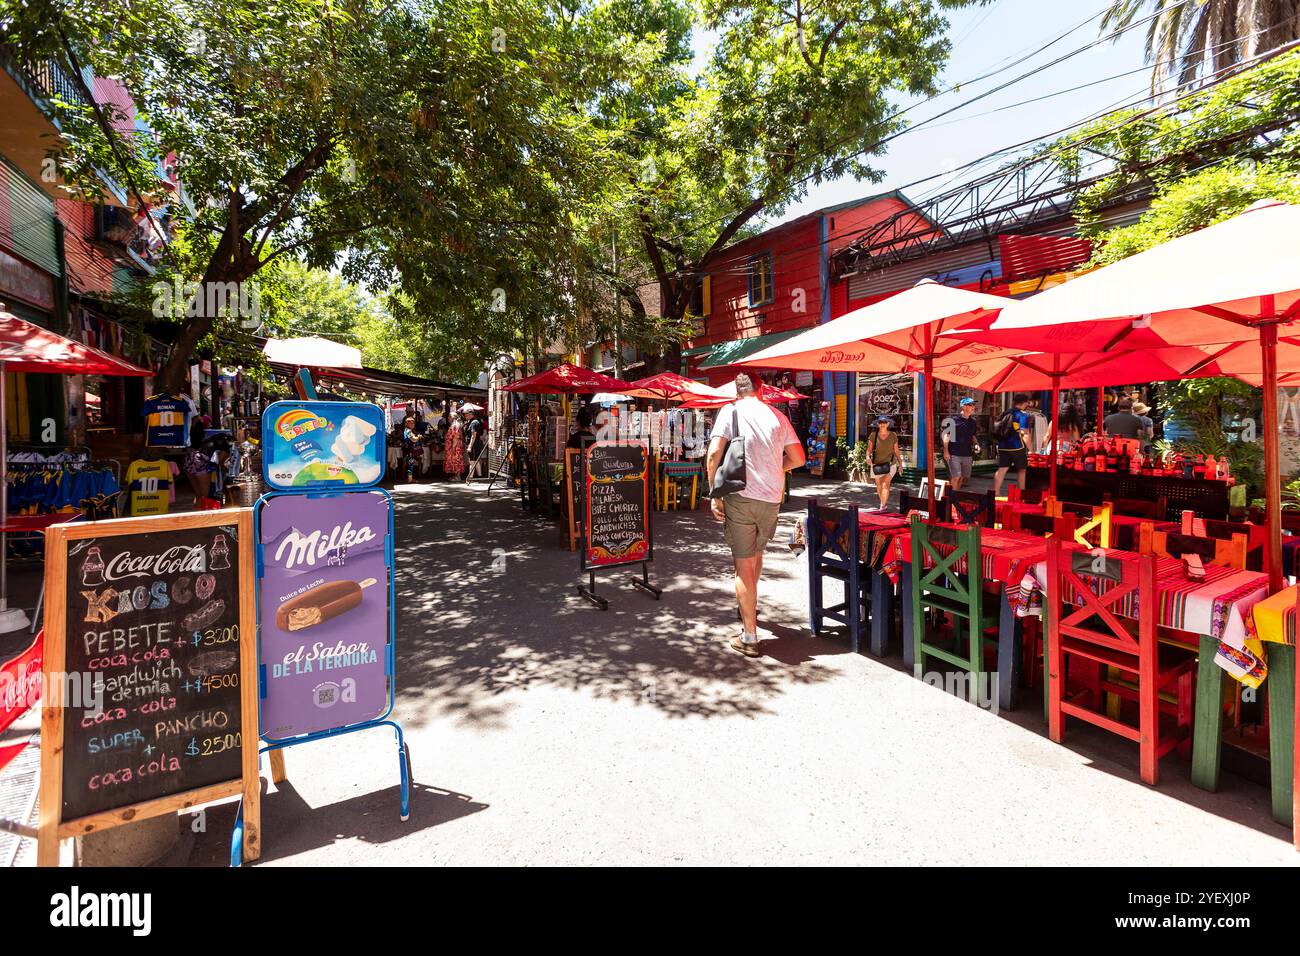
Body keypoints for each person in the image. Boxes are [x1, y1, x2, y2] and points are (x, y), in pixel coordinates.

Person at [707, 374, 805, 658]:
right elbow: (798, 459)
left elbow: (714, 453)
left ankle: (749, 636)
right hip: (772, 498)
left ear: (737, 391)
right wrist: (776, 469)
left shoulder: (731, 410)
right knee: (756, 554)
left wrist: (714, 492)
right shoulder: (777, 415)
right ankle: (748, 603)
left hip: (740, 496)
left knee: (743, 565)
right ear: (761, 390)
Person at [993, 393, 1033, 497]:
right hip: (1017, 447)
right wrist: (1031, 450)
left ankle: (996, 492)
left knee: (1002, 468)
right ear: (1024, 403)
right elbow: (1025, 434)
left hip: (1002, 445)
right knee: (1022, 469)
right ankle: (1021, 493)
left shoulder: (1006, 412)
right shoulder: (1023, 415)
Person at [941, 398, 980, 490]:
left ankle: (955, 496)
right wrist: (946, 451)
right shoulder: (953, 420)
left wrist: (976, 444)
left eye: (973, 405)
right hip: (954, 453)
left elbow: (973, 435)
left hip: (967, 454)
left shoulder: (973, 422)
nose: (973, 407)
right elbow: (946, 435)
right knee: (956, 477)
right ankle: (952, 499)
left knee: (964, 478)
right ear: (964, 407)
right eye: (971, 405)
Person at [866, 415, 904, 507]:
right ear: (878, 424)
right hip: (877, 465)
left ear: (888, 424)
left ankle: (882, 506)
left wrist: (900, 465)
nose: (882, 424)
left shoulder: (893, 435)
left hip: (891, 464)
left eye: (884, 422)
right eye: (880, 422)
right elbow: (869, 449)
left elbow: (896, 451)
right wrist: (867, 456)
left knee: (885, 484)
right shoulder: (873, 435)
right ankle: (883, 504)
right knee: (879, 485)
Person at [463, 409, 486, 481]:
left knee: (472, 461)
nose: (465, 415)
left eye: (466, 414)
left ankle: (470, 477)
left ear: (471, 414)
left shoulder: (473, 423)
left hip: (473, 444)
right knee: (476, 460)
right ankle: (479, 475)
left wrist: (470, 446)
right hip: (475, 444)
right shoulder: (474, 421)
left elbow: (474, 435)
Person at [444, 409, 465, 480]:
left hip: (455, 446)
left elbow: (455, 438)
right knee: (454, 460)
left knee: (456, 460)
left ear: (452, 417)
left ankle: (458, 477)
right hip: (454, 446)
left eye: (449, 417)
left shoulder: (455, 426)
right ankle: (455, 475)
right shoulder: (455, 425)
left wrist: (453, 447)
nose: (448, 418)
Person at [401, 414, 423, 482]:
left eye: (413, 423)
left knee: (410, 464)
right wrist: (418, 437)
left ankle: (410, 478)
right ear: (408, 424)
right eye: (412, 423)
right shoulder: (408, 431)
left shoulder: (407, 430)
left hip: (408, 449)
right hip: (410, 450)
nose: (413, 424)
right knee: (410, 464)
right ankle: (410, 479)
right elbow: (413, 439)